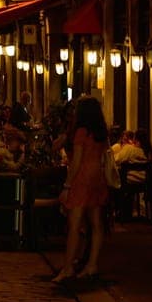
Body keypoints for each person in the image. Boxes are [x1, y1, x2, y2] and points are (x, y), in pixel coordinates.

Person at [53, 95, 109, 283]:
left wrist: (67, 185)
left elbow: (76, 162)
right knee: (96, 223)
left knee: (74, 225)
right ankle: (92, 265)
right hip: (97, 177)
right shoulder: (101, 132)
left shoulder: (81, 132)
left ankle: (68, 267)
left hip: (83, 177)